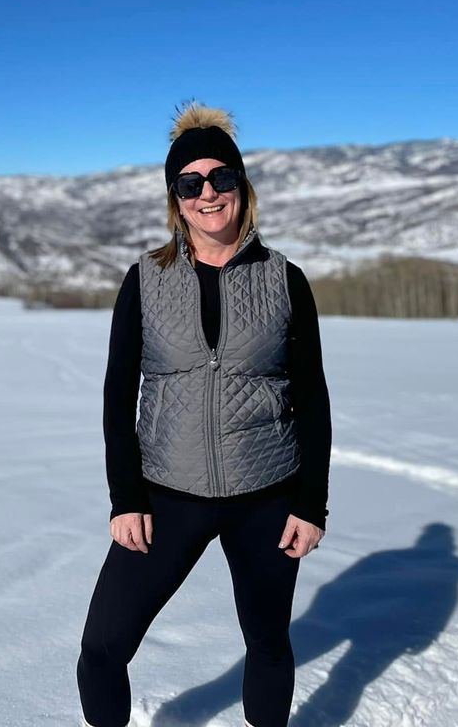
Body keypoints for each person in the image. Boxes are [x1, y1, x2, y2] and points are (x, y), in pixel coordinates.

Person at [75, 101, 333, 727]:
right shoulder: (144, 280)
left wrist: (310, 503)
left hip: (266, 494)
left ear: (242, 185)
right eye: (190, 184)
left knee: (268, 644)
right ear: (176, 198)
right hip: (166, 494)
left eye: (221, 177)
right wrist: (125, 498)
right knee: (102, 647)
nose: (208, 193)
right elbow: (117, 396)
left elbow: (313, 397)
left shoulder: (285, 279)